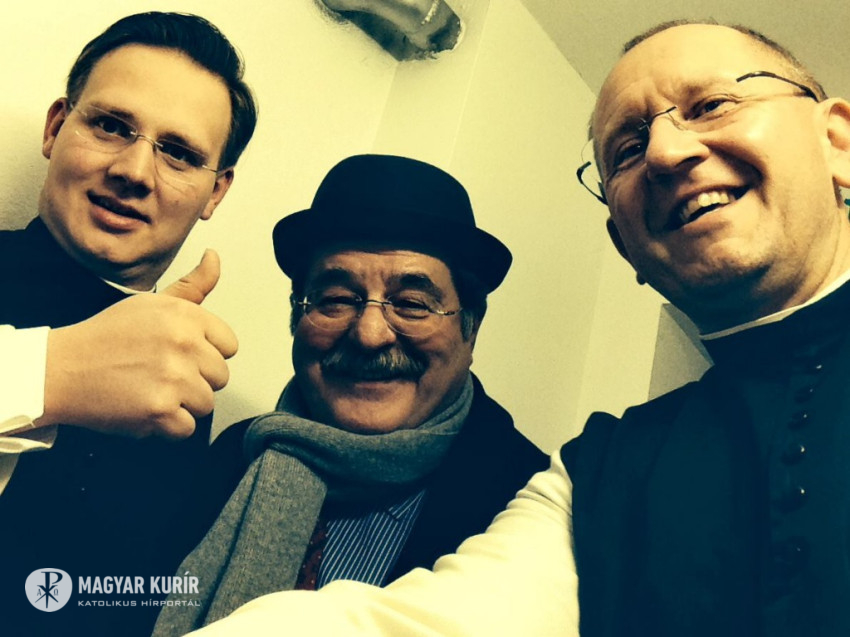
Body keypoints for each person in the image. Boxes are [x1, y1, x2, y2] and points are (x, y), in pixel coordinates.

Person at [184, 20, 850, 637]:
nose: (667, 152)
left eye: (712, 105)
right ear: (625, 246)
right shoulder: (591, 479)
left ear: (838, 141)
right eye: (627, 148)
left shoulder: (531, 477)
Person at [153, 154, 547, 633]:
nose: (370, 334)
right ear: (298, 317)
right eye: (338, 300)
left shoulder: (531, 505)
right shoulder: (235, 456)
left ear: (471, 329)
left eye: (411, 304)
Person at [0, 11, 257, 637]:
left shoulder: (188, 384)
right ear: (56, 128)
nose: (135, 172)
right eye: (112, 126)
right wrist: (50, 374)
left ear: (215, 193)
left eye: (179, 154)